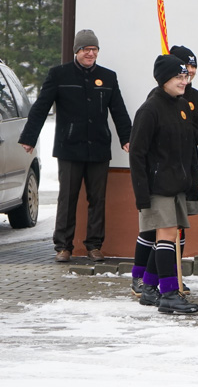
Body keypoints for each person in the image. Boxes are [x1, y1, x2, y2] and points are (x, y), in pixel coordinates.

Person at [18, 29, 132, 263]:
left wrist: (127, 138)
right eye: (85, 49)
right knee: (67, 198)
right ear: (76, 51)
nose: (90, 53)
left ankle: (94, 245)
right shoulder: (59, 75)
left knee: (97, 199)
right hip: (69, 147)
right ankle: (63, 246)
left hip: (99, 148)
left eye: (94, 49)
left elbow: (119, 110)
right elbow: (40, 107)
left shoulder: (108, 77)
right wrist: (29, 137)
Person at [130, 46, 198, 298]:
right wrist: (141, 194)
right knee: (164, 236)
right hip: (158, 186)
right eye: (179, 76)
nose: (185, 80)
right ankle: (166, 292)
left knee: (169, 236)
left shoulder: (183, 106)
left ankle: (152, 287)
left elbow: (188, 144)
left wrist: (189, 181)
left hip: (178, 183)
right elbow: (138, 153)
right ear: (164, 79)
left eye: (187, 75)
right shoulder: (150, 109)